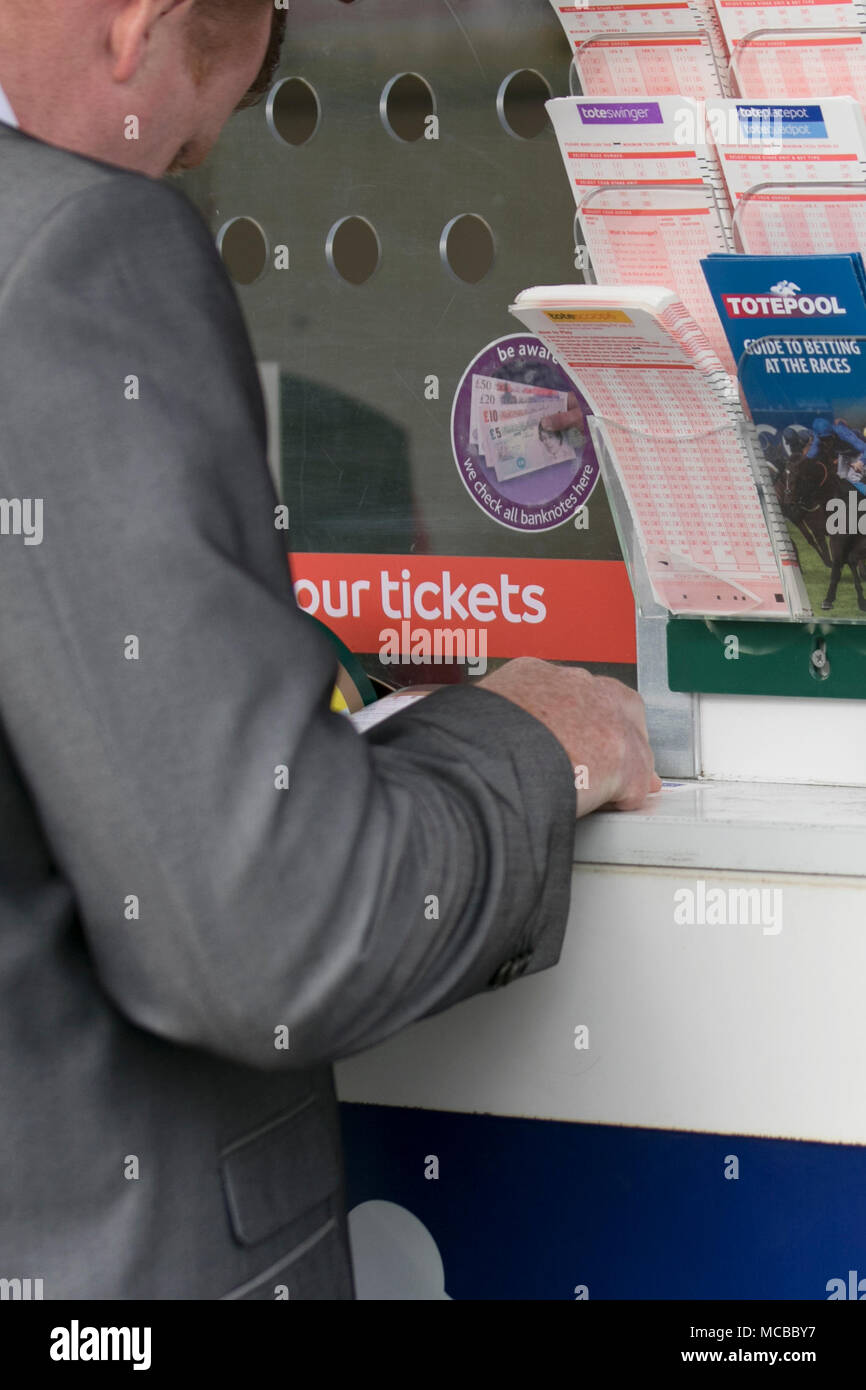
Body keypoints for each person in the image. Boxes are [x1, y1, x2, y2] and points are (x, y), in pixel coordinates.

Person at [0, 0, 659, 1299]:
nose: (185, 169)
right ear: (138, 26)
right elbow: (267, 929)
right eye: (196, 135)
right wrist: (535, 739)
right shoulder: (65, 252)